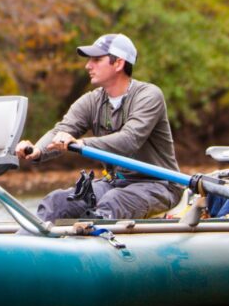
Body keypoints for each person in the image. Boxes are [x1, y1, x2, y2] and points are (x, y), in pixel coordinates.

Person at [15, 33, 181, 223]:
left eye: (96, 60)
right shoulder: (91, 100)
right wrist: (37, 150)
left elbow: (129, 140)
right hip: (115, 183)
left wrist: (81, 143)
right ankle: (25, 244)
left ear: (118, 64)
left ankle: (92, 242)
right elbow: (61, 130)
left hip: (159, 185)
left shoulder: (149, 96)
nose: (88, 66)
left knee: (113, 202)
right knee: (57, 202)